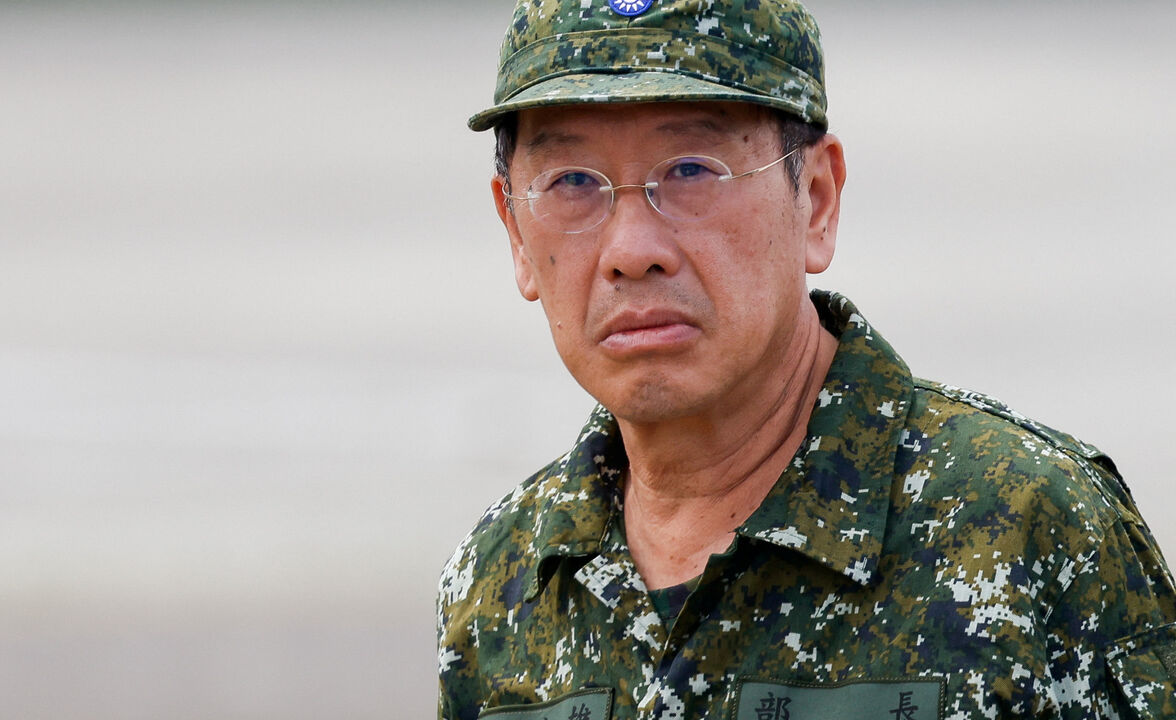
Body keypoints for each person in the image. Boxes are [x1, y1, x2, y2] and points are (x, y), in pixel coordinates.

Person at [437, 1, 1176, 718]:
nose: (632, 252)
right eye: (572, 183)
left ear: (816, 200)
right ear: (514, 231)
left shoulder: (1024, 524)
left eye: (691, 171)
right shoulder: (502, 581)